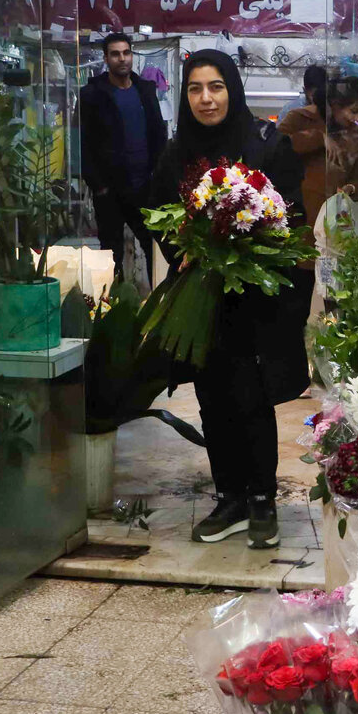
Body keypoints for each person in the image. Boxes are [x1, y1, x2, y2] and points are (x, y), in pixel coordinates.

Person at [152, 49, 311, 549]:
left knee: (252, 396)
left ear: (232, 90)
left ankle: (262, 499)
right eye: (195, 88)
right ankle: (231, 498)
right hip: (202, 300)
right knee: (212, 397)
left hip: (256, 299)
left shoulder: (266, 146)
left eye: (216, 87)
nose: (206, 98)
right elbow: (157, 212)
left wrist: (254, 250)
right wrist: (184, 249)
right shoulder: (177, 152)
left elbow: (294, 218)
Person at [77, 32, 168, 282]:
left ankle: (156, 303)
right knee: (111, 257)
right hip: (110, 191)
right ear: (106, 58)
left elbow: (159, 134)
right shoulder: (91, 95)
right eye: (115, 54)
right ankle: (113, 309)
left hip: (144, 188)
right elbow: (82, 143)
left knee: (157, 249)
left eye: (126, 53)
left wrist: (158, 175)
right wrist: (99, 186)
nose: (122, 59)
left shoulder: (145, 91)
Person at [276, 68, 334, 226]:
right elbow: (278, 145)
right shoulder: (294, 113)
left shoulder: (333, 113)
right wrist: (317, 138)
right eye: (313, 93)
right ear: (305, 91)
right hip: (299, 189)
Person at [325, 76, 358, 205]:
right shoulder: (310, 124)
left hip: (335, 210)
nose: (357, 118)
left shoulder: (355, 134)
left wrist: (351, 188)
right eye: (353, 111)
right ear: (335, 106)